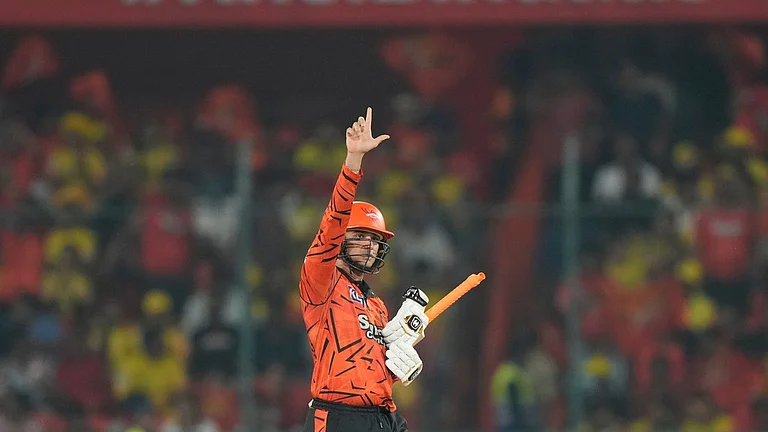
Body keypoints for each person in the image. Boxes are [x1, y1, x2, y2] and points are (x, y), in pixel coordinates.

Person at [300, 108, 431, 432]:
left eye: (375, 240)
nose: (371, 246)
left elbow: (366, 370)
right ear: (341, 240)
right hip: (338, 416)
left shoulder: (376, 304)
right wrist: (353, 161)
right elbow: (333, 221)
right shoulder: (321, 281)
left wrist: (398, 367)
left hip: (384, 417)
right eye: (360, 237)